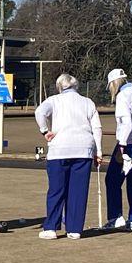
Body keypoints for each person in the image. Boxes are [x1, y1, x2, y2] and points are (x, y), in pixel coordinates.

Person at [34, 73, 103, 240]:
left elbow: (39, 112)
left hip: (60, 149)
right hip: (83, 149)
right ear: (76, 86)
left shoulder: (54, 100)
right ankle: (74, 229)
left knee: (56, 190)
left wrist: (45, 131)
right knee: (78, 191)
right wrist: (98, 151)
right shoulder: (87, 102)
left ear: (59, 87)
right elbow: (97, 128)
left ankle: (51, 228)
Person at [103, 68, 132, 232]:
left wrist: (122, 146)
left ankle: (116, 218)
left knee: (112, 179)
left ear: (114, 83)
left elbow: (127, 123)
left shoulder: (122, 96)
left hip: (127, 144)